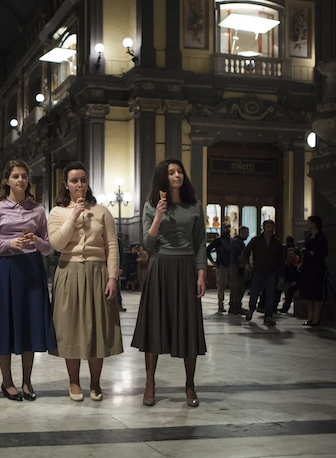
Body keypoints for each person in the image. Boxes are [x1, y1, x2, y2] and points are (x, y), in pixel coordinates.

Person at [131, 158, 206, 408]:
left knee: (188, 326)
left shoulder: (194, 205)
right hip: (160, 266)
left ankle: (190, 384)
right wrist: (158, 216)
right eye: (172, 172)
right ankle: (150, 382)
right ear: (163, 178)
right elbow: (147, 244)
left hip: (185, 267)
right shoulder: (152, 205)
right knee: (154, 325)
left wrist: (201, 273)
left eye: (180, 171)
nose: (177, 175)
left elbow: (200, 244)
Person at [0, 159, 56, 401]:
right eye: (15, 176)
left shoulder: (38, 210)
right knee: (6, 325)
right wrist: (9, 244)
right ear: (7, 180)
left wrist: (37, 241)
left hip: (32, 269)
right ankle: (7, 381)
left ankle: (27, 380)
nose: (21, 180)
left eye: (24, 176)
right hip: (6, 270)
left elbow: (48, 249)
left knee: (30, 324)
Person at [48, 161, 122, 402]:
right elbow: (57, 244)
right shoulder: (57, 212)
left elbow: (112, 246)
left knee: (97, 328)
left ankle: (96, 382)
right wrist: (73, 216)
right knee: (70, 328)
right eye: (74, 180)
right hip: (69, 272)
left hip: (98, 272)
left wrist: (112, 277)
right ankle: (73, 382)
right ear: (66, 185)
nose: (79, 184)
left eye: (82, 180)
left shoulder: (102, 212)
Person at [242, 220, 285, 326]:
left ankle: (268, 316)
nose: (270, 229)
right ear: (264, 228)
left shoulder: (277, 243)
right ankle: (251, 310)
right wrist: (246, 263)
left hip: (271, 271)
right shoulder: (256, 240)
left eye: (272, 227)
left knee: (270, 294)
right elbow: (246, 252)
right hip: (258, 270)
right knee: (255, 292)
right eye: (268, 227)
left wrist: (282, 275)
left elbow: (281, 260)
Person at [300, 215, 328, 326]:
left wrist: (311, 252)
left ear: (314, 224)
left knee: (316, 293)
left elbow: (324, 253)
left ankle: (317, 316)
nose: (307, 224)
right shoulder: (309, 237)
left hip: (316, 268)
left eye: (308, 222)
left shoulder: (321, 237)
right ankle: (310, 315)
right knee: (308, 293)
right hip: (307, 267)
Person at [206, 224, 233, 313]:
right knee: (221, 286)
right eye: (226, 228)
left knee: (233, 285)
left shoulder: (231, 240)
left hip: (230, 265)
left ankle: (232, 304)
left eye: (228, 228)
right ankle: (220, 305)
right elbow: (208, 249)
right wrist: (212, 261)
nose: (227, 230)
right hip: (221, 265)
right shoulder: (218, 240)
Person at [228, 226, 250, 315]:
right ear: (242, 233)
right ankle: (236, 306)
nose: (247, 235)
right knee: (239, 287)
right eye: (246, 233)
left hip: (235, 266)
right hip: (237, 267)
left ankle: (233, 306)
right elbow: (240, 255)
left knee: (234, 287)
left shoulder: (236, 241)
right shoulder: (237, 243)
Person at [277, 247, 301, 314]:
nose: (290, 256)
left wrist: (296, 282)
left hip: (298, 283)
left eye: (291, 254)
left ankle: (286, 307)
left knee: (290, 290)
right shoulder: (286, 264)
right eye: (288, 254)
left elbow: (301, 276)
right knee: (277, 288)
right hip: (288, 282)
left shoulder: (299, 264)